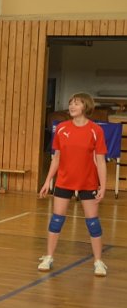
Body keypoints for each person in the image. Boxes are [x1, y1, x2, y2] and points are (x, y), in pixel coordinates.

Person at [38, 92, 108, 276]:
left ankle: (98, 261)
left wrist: (103, 186)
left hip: (88, 182)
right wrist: (47, 182)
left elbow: (101, 161)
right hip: (64, 181)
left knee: (93, 223)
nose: (72, 106)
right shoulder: (61, 128)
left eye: (76, 103)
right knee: (56, 220)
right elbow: (56, 159)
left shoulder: (96, 130)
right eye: (70, 103)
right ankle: (49, 257)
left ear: (85, 106)